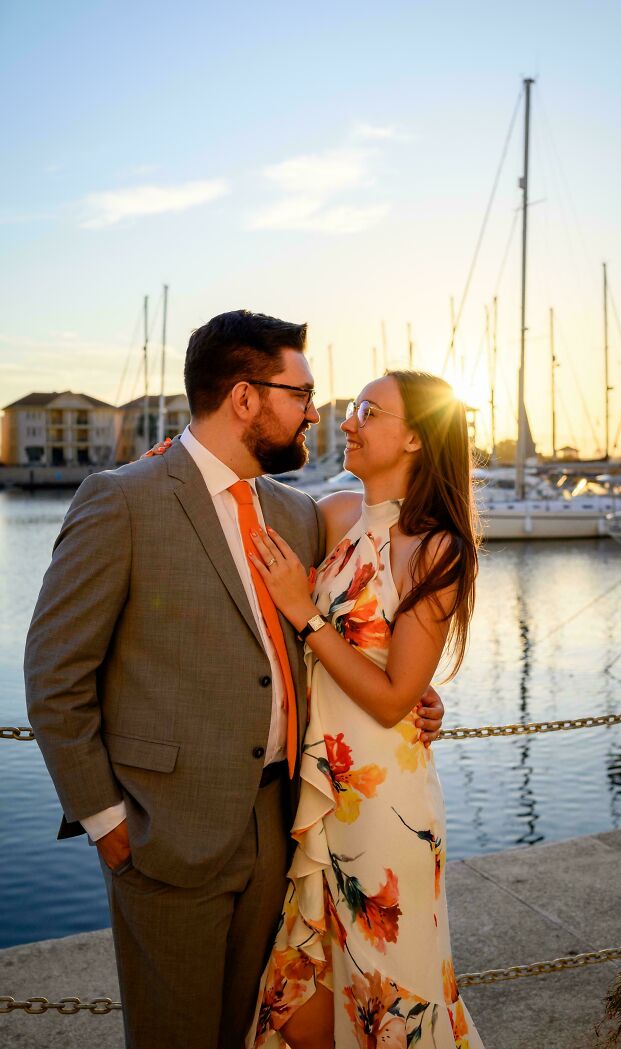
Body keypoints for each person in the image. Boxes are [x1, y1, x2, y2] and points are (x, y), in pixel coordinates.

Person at [24, 310, 445, 1049]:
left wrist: (414, 688)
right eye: (301, 393)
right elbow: (56, 673)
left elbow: (358, 620)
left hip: (283, 831)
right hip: (166, 833)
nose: (317, 412)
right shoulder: (123, 499)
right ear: (246, 398)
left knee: (256, 1035)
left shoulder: (298, 513)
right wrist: (107, 821)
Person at [243, 370, 484, 1049]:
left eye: (366, 410)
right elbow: (245, 505)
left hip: (387, 808)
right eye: (351, 408)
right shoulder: (336, 514)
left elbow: (389, 700)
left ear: (413, 436)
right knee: (294, 996)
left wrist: (304, 611)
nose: (347, 421)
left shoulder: (438, 549)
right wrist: (169, 462)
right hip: (320, 790)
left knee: (392, 997)